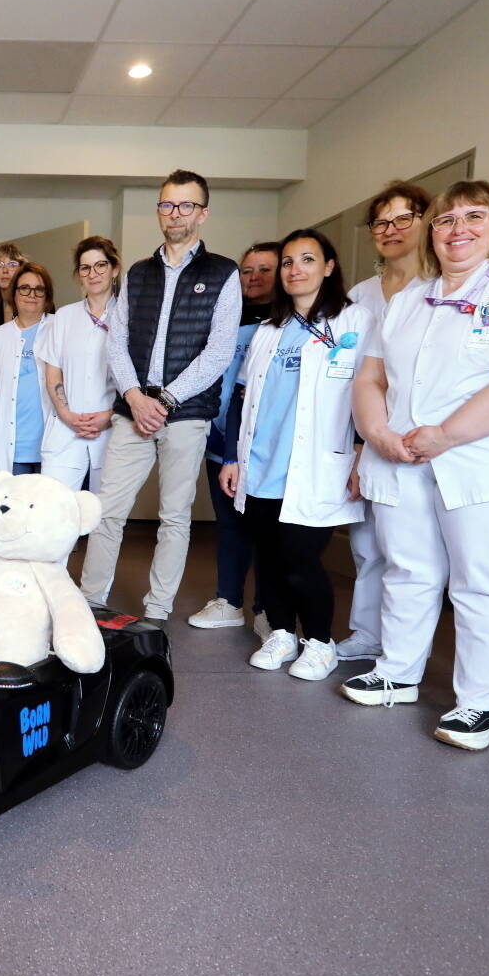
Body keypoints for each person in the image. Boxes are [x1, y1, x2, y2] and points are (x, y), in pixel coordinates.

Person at [344, 180, 489, 752]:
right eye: (445, 220)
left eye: (474, 217)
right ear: (431, 234)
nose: (458, 229)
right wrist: (377, 432)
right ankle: (397, 672)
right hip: (403, 456)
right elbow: (370, 378)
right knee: (407, 571)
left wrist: (447, 434)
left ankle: (481, 705)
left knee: (483, 585)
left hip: (478, 461)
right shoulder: (409, 298)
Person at [80, 169, 239, 630]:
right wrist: (133, 394)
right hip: (132, 412)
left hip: (186, 415)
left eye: (186, 205)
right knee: (108, 510)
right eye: (167, 204)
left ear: (202, 213)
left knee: (174, 516)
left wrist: (164, 399)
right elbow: (118, 340)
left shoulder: (223, 273)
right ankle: (90, 600)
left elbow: (219, 351)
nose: (175, 213)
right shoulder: (138, 272)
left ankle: (156, 610)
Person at [219, 230, 365, 680]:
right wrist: (231, 457)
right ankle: (282, 632)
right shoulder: (268, 330)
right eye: (287, 262)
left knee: (302, 561)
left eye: (307, 259)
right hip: (261, 463)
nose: (295, 269)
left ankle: (320, 642)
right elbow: (242, 399)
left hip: (314, 466)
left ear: (329, 266)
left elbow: (371, 391)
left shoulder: (354, 323)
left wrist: (361, 452)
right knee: (268, 559)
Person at [333, 183, 430, 664]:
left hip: (422, 436)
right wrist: (356, 444)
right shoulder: (359, 296)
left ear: (427, 222)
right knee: (368, 544)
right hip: (368, 435)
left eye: (403, 219)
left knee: (413, 556)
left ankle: (404, 652)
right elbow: (347, 376)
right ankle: (367, 634)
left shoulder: (440, 287)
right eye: (381, 223)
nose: (391, 231)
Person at [189, 240, 280, 636]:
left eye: (265, 269)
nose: (254, 277)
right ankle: (228, 600)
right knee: (229, 526)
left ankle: (266, 607)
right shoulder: (223, 317)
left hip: (265, 446)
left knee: (266, 531)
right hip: (220, 438)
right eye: (247, 270)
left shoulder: (287, 323)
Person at [38, 236, 118, 494]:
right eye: (85, 268)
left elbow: (138, 377)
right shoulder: (64, 316)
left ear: (114, 269)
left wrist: (110, 415)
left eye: (100, 265)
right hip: (65, 429)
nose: (93, 274)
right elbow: (53, 372)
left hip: (111, 430)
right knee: (53, 511)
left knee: (104, 517)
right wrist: (67, 415)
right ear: (79, 275)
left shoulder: (129, 316)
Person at [0, 262, 54, 475]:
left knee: (49, 508)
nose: (32, 294)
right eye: (24, 288)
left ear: (47, 296)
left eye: (39, 289)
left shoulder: (59, 329)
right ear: (14, 294)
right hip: (11, 452)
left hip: (52, 449)